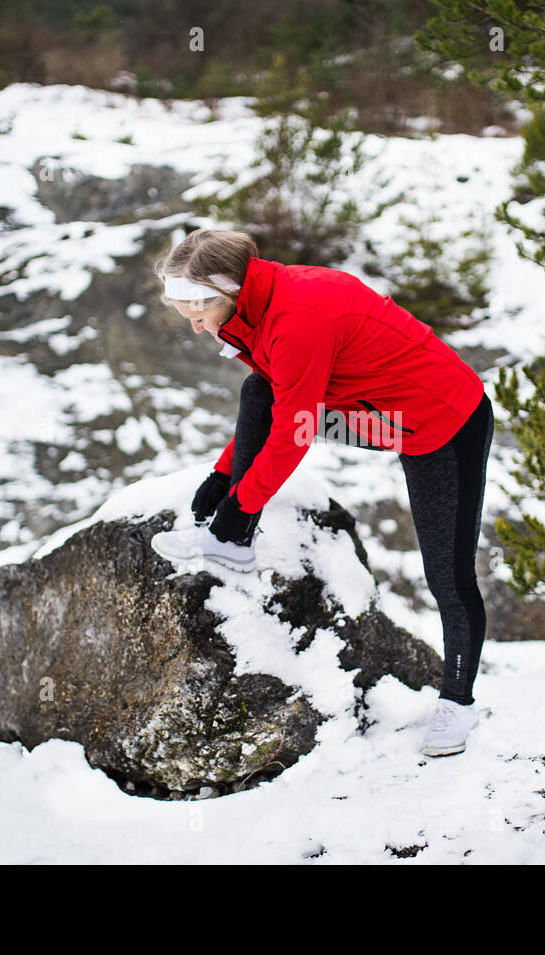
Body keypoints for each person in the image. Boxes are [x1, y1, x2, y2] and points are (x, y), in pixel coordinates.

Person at [148, 228, 494, 758]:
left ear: (229, 291)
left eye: (197, 308)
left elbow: (295, 429)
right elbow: (277, 396)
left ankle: (458, 702)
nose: (192, 323)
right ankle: (232, 539)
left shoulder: (296, 317)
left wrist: (239, 507)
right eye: (182, 308)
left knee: (447, 574)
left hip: (443, 424)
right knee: (256, 389)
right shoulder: (255, 307)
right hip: (378, 416)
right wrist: (223, 477)